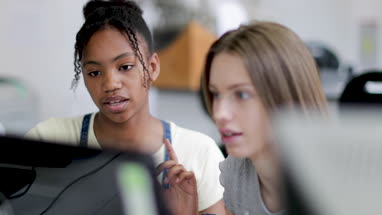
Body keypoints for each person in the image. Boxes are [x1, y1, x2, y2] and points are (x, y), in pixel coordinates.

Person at [26, 0, 225, 214]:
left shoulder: (199, 154)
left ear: (152, 67)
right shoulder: (47, 140)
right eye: (94, 72)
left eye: (125, 67)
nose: (110, 84)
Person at [200, 21, 328, 215]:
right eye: (216, 94)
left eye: (241, 94)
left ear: (286, 96)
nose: (219, 114)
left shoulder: (333, 183)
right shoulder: (237, 170)